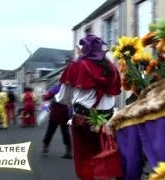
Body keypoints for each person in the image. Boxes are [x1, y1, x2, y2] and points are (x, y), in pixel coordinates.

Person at [55, 34, 121, 179]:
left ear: (86, 49)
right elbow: (114, 94)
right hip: (108, 120)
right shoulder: (112, 68)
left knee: (85, 157)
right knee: (106, 153)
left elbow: (62, 98)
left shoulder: (77, 66)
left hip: (82, 119)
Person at [42, 84, 72, 158]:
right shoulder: (70, 88)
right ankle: (68, 150)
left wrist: (44, 95)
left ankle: (45, 146)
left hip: (55, 112)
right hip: (66, 112)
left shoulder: (56, 88)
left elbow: (47, 97)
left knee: (50, 131)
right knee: (65, 132)